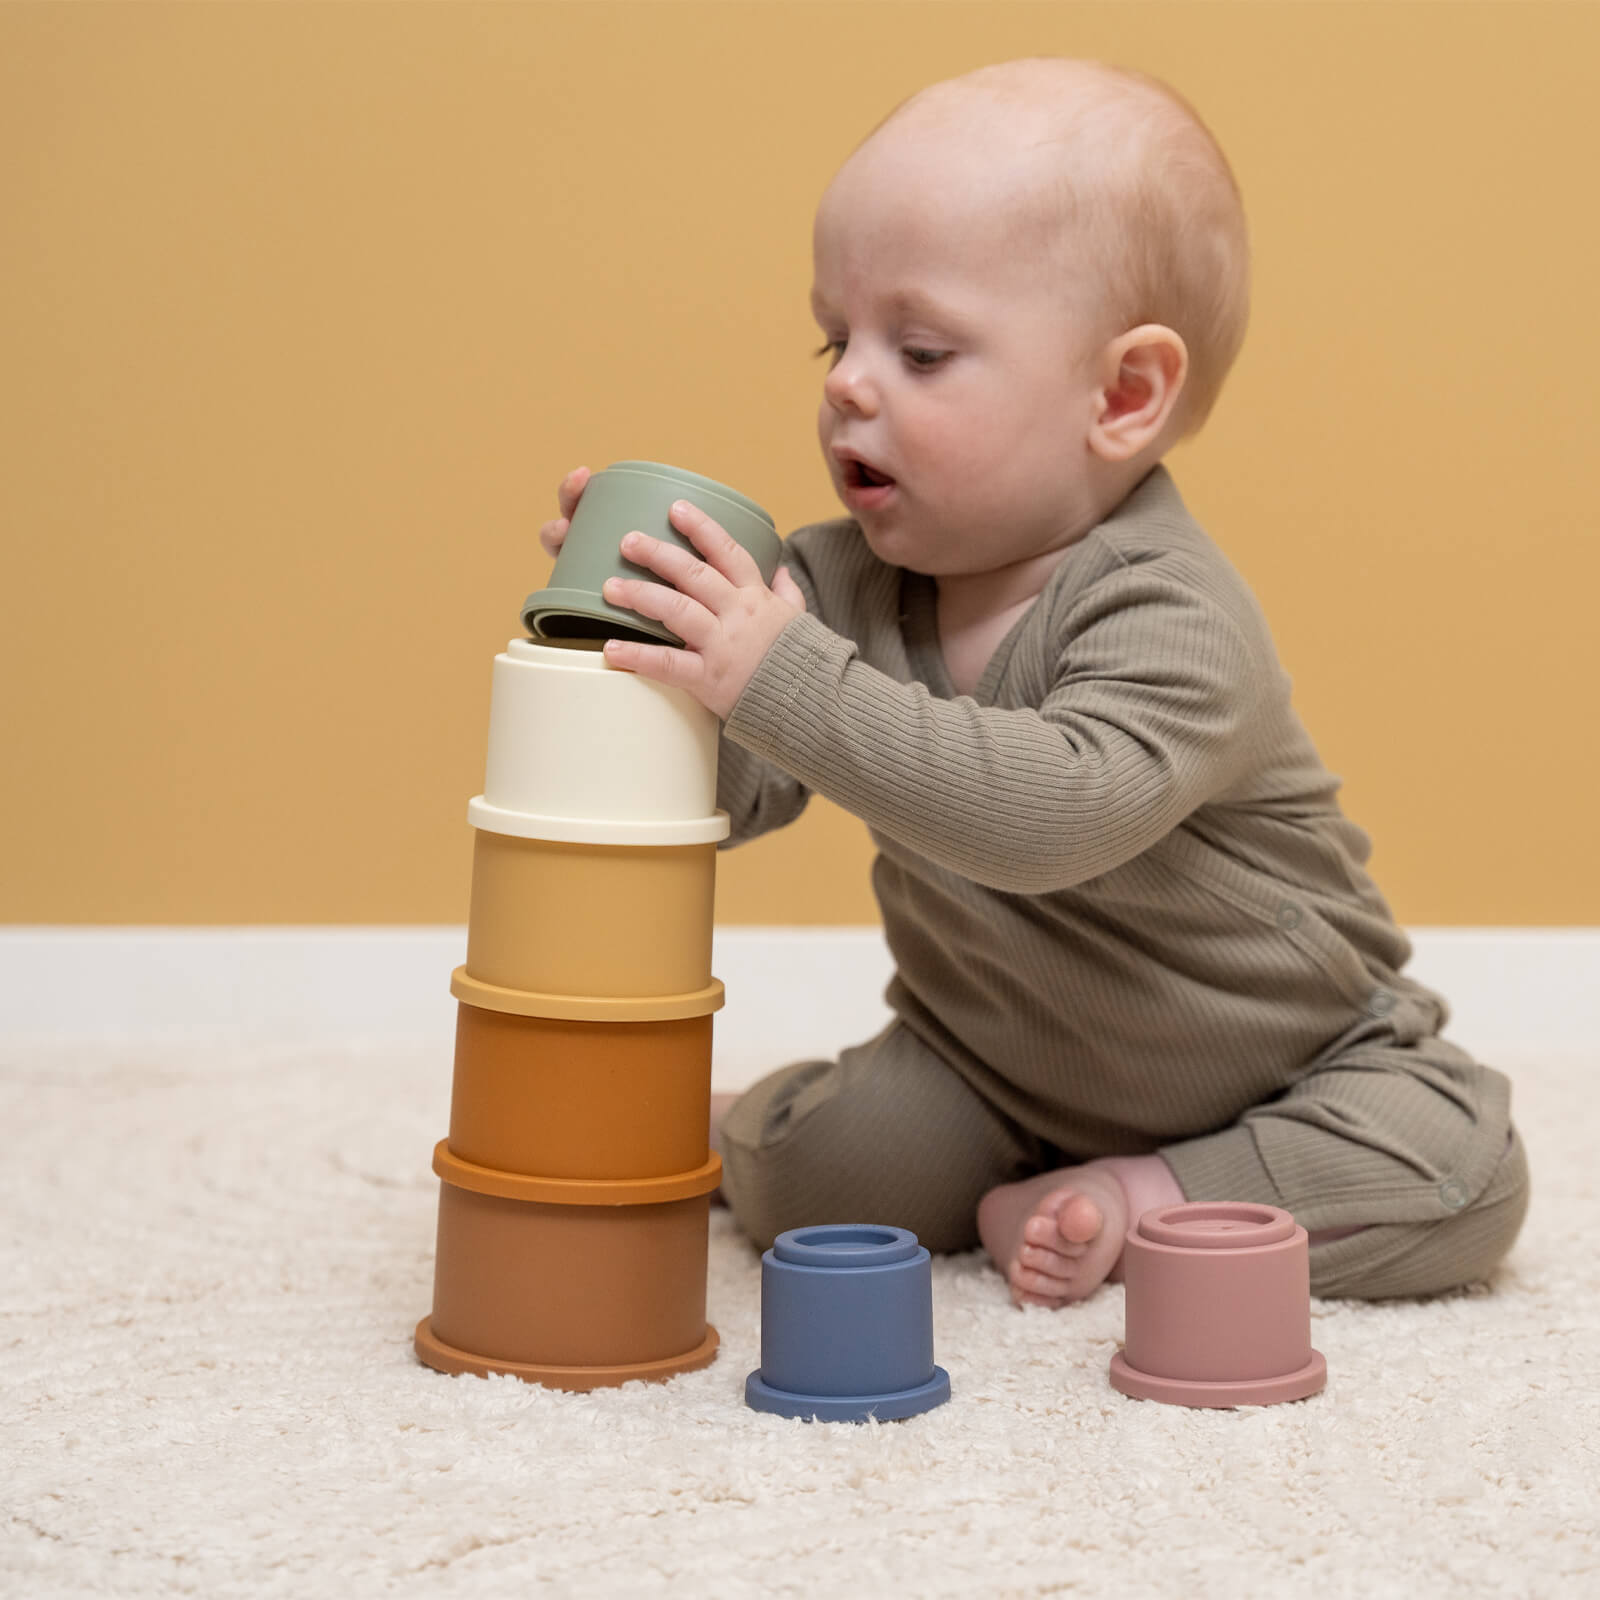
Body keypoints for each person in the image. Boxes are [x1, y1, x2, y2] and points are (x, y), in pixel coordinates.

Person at [537, 56, 1529, 1307]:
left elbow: (1045, 817)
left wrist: (774, 672)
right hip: (990, 1065)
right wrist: (648, 649)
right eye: (837, 337)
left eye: (925, 350)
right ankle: (758, 1119)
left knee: (1464, 1173)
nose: (847, 383)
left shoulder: (1168, 608)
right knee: (820, 1180)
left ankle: (1151, 1194)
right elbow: (722, 796)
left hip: (1293, 1061)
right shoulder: (828, 589)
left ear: (1120, 395)